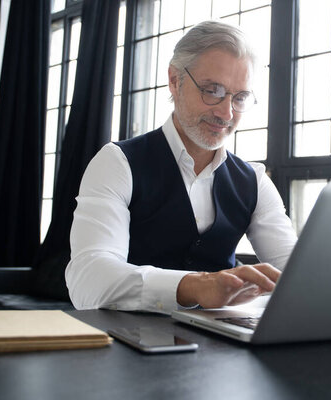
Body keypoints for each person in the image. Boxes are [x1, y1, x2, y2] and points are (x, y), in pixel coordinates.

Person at [66, 21, 297, 314]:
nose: (226, 113)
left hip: (222, 349)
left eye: (239, 98)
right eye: (212, 90)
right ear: (175, 80)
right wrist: (196, 286)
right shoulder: (117, 162)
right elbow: (88, 282)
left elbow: (298, 273)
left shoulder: (254, 181)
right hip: (127, 345)